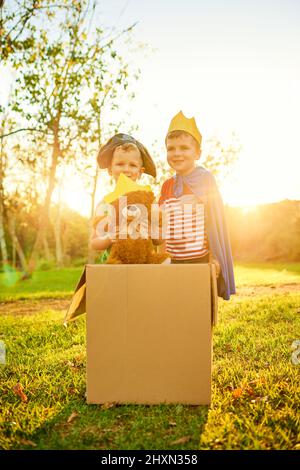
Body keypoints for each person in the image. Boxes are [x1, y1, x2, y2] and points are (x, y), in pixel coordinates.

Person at [159, 111, 235, 300]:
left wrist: (215, 259)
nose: (176, 153)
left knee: (199, 305)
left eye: (184, 148)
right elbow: (160, 222)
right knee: (175, 304)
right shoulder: (167, 185)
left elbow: (214, 221)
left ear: (197, 153)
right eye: (171, 148)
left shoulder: (204, 179)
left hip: (199, 259)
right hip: (173, 259)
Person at [90, 133, 158, 261]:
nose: (126, 169)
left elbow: (160, 239)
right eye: (120, 164)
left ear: (140, 171)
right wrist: (109, 237)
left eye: (132, 165)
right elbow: (94, 242)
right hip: (114, 266)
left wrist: (150, 230)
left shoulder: (149, 200)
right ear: (110, 170)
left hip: (145, 265)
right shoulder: (105, 203)